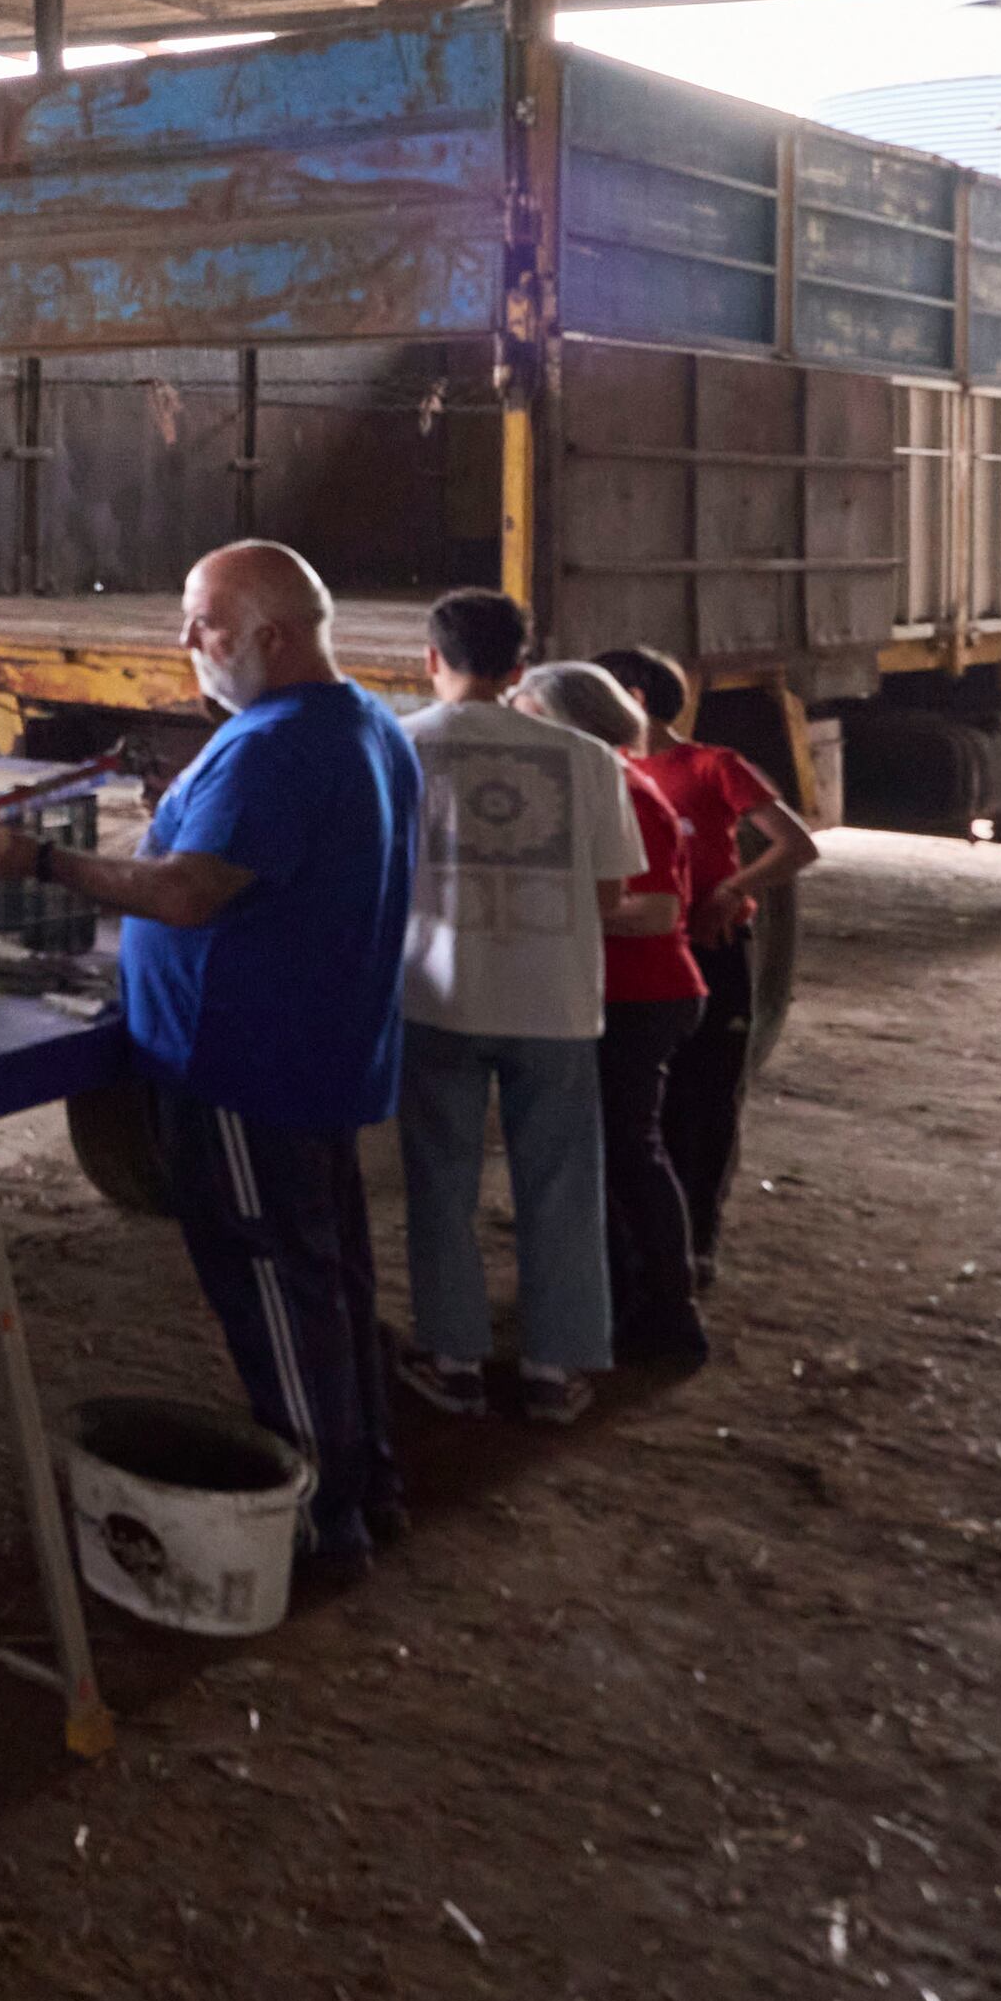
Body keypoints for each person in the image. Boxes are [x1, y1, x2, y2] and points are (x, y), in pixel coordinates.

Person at [0, 541, 418, 1585]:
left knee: (276, 1289)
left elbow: (184, 893)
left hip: (245, 1064)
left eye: (205, 624)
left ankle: (320, 1525)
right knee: (328, 1282)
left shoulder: (277, 749)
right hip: (315, 1050)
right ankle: (366, 1483)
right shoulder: (356, 724)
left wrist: (34, 861)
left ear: (272, 634)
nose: (186, 643)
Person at [385, 590, 648, 1427]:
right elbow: (611, 891)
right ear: (519, 670)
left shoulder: (397, 748)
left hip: (438, 995)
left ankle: (453, 1359)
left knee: (440, 1180)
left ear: (432, 659)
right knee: (562, 1184)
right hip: (557, 1002)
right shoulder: (587, 757)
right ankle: (553, 1367)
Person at [594, 646, 821, 1292]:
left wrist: (730, 890)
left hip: (713, 950)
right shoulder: (601, 769)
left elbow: (795, 844)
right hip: (637, 960)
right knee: (641, 1109)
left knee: (708, 1099)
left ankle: (699, 1237)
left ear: (633, 698)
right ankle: (639, 1244)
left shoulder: (712, 765)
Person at [519, 662, 706, 1370]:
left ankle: (668, 1310)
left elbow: (658, 909)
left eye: (528, 713)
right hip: (619, 993)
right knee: (613, 1155)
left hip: (644, 995)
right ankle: (628, 1294)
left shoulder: (624, 789)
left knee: (630, 1153)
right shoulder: (594, 782)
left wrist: (556, 906)